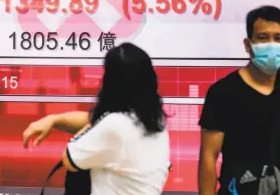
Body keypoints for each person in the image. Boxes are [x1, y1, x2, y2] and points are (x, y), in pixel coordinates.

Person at [22, 42, 171, 195]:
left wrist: (100, 116)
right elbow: (95, 120)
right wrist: (54, 119)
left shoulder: (114, 126)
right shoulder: (155, 120)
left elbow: (70, 159)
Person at [198, 6, 280, 195]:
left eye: (278, 38)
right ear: (248, 44)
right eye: (263, 38)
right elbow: (208, 157)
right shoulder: (223, 92)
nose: (272, 44)